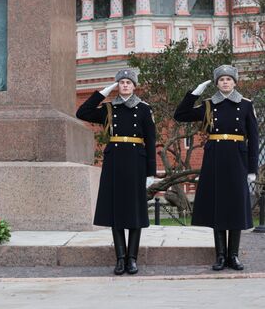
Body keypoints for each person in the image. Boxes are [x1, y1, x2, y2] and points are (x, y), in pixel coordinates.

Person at [174, 65, 258, 271]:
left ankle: (234, 256)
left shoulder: (246, 105)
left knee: (236, 207)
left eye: (229, 79)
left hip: (238, 158)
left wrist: (252, 169)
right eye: (221, 80)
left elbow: (254, 139)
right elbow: (181, 114)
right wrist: (195, 93)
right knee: (218, 207)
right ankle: (220, 256)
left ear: (235, 82)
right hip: (215, 159)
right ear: (217, 83)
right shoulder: (209, 104)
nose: (225, 82)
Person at [76, 69, 156, 275]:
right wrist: (103, 92)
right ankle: (120, 258)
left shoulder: (144, 109)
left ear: (135, 86)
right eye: (121, 83)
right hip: (114, 163)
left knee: (135, 212)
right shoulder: (109, 108)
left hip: (136, 163)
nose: (125, 85)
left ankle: (132, 259)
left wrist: (151, 173)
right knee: (116, 212)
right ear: (117, 86)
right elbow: (82, 112)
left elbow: (151, 141)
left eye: (129, 82)